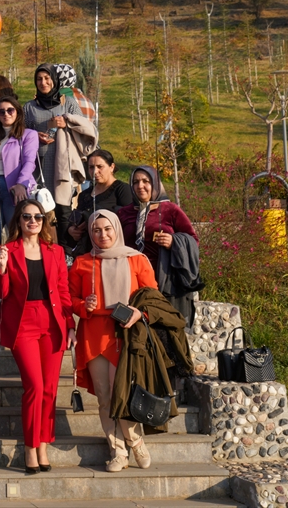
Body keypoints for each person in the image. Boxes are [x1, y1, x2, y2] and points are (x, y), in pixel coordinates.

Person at [69, 210, 157, 472]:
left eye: (107, 229)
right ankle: (117, 451)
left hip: (126, 334)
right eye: (97, 230)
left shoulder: (137, 260)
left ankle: (135, 441)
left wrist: (139, 313)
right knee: (105, 396)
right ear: (91, 233)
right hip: (94, 334)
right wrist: (84, 305)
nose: (103, 234)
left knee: (125, 393)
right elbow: (69, 299)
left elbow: (153, 299)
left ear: (116, 229)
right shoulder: (82, 262)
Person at [0, 200, 73, 474]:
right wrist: (1, 268)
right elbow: (2, 294)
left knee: (50, 389)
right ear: (19, 220)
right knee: (35, 386)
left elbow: (63, 291)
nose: (33, 221)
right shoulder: (9, 251)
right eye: (27, 216)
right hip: (23, 321)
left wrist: (70, 324)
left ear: (44, 221)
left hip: (52, 322)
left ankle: (43, 446)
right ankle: (29, 447)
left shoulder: (56, 251)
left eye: (38, 216)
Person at [116, 166, 200, 320]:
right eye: (135, 182)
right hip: (131, 280)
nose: (140, 186)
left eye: (145, 181)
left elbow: (193, 240)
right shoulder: (124, 213)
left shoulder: (170, 210)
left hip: (164, 280)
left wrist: (174, 242)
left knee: (163, 325)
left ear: (155, 183)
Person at [0, 95, 39, 294]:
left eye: (10, 110)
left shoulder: (28, 135)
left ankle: (18, 283)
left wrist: (21, 184)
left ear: (18, 112)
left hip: (15, 190)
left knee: (17, 237)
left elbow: (30, 162)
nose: (5, 114)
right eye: (1, 111)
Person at [23, 64, 89, 237]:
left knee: (63, 210)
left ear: (55, 80)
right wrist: (33, 135)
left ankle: (65, 252)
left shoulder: (68, 103)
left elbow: (84, 127)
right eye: (39, 79)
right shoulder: (29, 107)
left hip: (63, 165)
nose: (43, 82)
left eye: (47, 78)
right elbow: (19, 134)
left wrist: (66, 123)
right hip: (40, 167)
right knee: (41, 210)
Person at [64, 149, 135, 256]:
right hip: (87, 252)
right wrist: (72, 230)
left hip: (112, 252)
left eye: (100, 167)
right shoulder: (84, 195)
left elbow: (128, 221)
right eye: (91, 167)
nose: (95, 171)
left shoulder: (122, 190)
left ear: (112, 167)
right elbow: (76, 218)